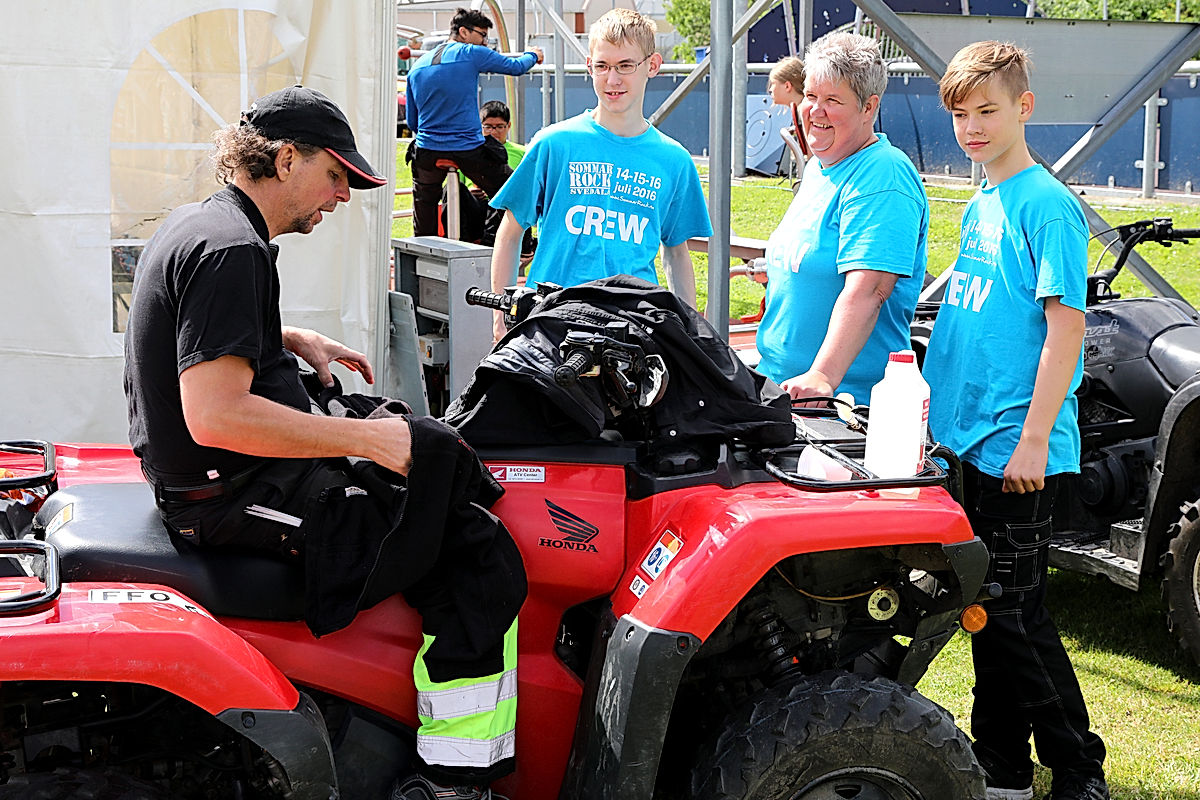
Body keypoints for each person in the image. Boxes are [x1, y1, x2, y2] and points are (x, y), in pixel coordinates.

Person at [122, 86, 523, 800]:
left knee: (425, 453)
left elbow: (189, 328)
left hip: (227, 480)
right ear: (283, 159)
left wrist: (284, 339)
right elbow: (215, 418)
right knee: (475, 547)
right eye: (336, 176)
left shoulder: (201, 224)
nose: (342, 197)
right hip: (234, 496)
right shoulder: (232, 251)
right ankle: (456, 778)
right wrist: (367, 441)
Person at [924, 42, 1108, 800]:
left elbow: (1066, 327)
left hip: (1015, 446)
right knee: (983, 612)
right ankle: (1000, 761)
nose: (972, 127)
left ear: (1023, 108)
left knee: (1015, 615)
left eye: (987, 111)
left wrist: (1033, 437)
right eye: (961, 115)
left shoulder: (1045, 204)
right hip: (968, 438)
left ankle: (1077, 768)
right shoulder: (981, 202)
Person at [488, 7, 712, 340]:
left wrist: (689, 334)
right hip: (550, 323)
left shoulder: (674, 160)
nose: (612, 79)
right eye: (603, 66)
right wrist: (501, 315)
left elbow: (676, 252)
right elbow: (510, 231)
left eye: (625, 66)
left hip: (632, 327)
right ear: (590, 67)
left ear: (652, 66)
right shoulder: (555, 143)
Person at [754, 33, 928, 407]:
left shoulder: (883, 175)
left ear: (869, 107)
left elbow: (870, 290)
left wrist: (823, 375)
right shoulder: (822, 165)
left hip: (843, 405)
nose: (816, 110)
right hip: (784, 390)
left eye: (833, 100)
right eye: (812, 96)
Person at [406, 8, 543, 241]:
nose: (485, 43)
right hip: (467, 149)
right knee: (510, 189)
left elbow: (413, 121)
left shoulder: (417, 66)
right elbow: (516, 67)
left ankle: (420, 256)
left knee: (424, 202)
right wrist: (533, 54)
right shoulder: (471, 53)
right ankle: (504, 246)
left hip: (427, 150)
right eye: (482, 35)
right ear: (463, 32)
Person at [448, 100, 536, 253]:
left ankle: (492, 245)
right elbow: (456, 186)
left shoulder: (522, 153)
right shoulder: (469, 154)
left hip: (504, 213)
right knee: (451, 191)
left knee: (502, 191)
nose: (494, 132)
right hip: (475, 211)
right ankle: (456, 244)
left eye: (499, 127)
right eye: (488, 127)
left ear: (508, 126)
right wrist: (470, 192)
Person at [767, 55, 810, 167]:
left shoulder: (806, 111)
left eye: (773, 84)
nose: (770, 90)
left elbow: (813, 157)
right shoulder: (802, 108)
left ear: (787, 86)